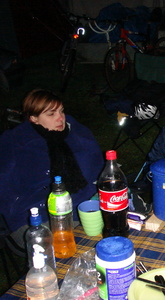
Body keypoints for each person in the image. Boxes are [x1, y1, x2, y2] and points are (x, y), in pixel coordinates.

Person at [0, 89, 104, 250]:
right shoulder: (16, 142)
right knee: (65, 248)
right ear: (33, 118)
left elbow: (98, 172)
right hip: (34, 214)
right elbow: (4, 186)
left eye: (61, 111)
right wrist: (18, 210)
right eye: (51, 114)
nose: (60, 118)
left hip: (79, 205)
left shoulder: (77, 134)